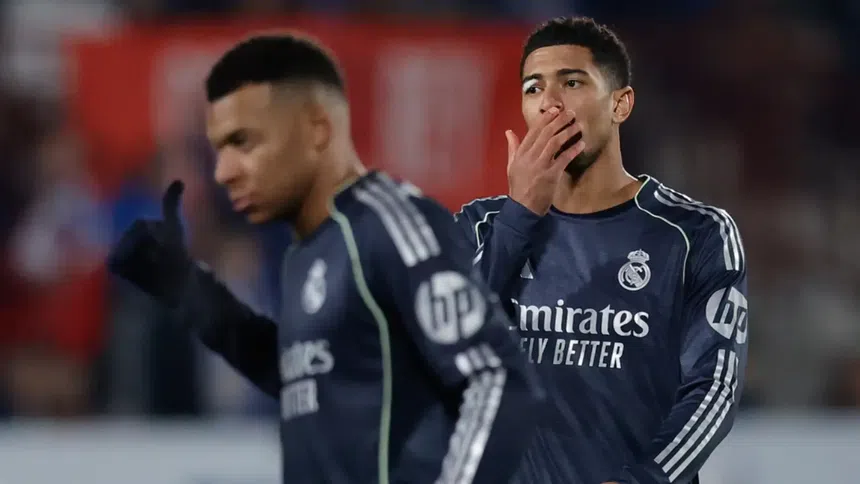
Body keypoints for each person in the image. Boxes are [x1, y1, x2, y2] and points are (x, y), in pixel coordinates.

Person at [109, 34, 544, 483]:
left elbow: (498, 381)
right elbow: (311, 382)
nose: (226, 171)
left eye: (248, 142)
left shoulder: (388, 225)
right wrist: (189, 291)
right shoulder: (306, 253)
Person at [455, 17, 748, 484]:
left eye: (572, 83)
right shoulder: (480, 226)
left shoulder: (694, 234)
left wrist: (640, 480)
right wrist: (519, 217)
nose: (550, 103)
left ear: (620, 104)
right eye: (534, 88)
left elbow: (714, 388)